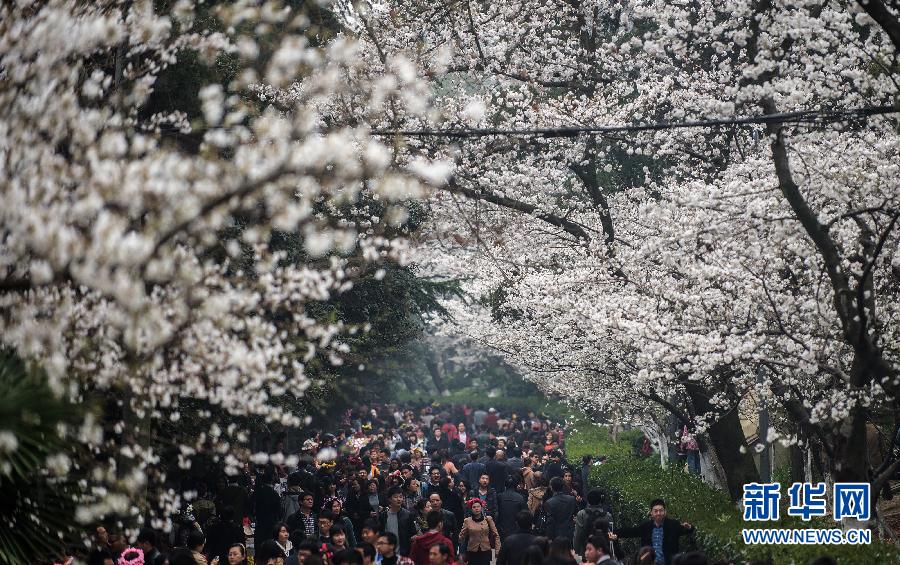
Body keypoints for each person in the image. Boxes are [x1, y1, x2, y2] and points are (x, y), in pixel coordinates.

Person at [609, 499, 693, 565]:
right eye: (655, 511)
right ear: (651, 513)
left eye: (661, 510)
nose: (658, 513)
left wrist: (689, 527)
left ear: (665, 512)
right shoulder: (646, 526)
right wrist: (613, 533)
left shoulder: (673, 525)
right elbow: (631, 531)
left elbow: (684, 530)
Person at [458, 499, 500, 565]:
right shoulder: (467, 521)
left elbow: (496, 535)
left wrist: (497, 550)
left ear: (481, 507)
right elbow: (461, 537)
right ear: (471, 509)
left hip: (485, 550)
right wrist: (461, 552)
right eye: (474, 507)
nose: (476, 509)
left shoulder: (488, 519)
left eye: (478, 506)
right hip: (472, 551)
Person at [379, 486, 417, 556]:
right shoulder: (383, 516)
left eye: (400, 497)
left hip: (404, 552)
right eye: (395, 497)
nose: (398, 499)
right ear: (390, 499)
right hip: (387, 553)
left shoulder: (408, 515)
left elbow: (413, 534)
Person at [574, 490, 612, 555]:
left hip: (586, 549)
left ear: (588, 500)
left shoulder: (582, 514)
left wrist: (577, 550)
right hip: (603, 550)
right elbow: (610, 534)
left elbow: (578, 534)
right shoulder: (608, 515)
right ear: (600, 500)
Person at [496, 475, 528, 540]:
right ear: (516, 485)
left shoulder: (499, 496)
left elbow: (496, 512)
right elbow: (525, 514)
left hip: (501, 529)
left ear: (505, 485)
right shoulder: (520, 497)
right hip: (516, 529)